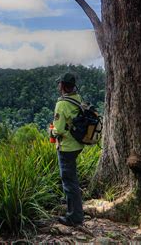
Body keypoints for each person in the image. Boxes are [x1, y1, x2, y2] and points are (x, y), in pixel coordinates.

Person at [51, 72, 84, 226]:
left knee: (69, 181)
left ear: (63, 86)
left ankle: (74, 217)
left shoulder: (61, 104)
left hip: (66, 147)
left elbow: (58, 130)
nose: (58, 86)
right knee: (71, 179)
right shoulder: (77, 99)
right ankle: (71, 204)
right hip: (78, 144)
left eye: (60, 84)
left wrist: (51, 131)